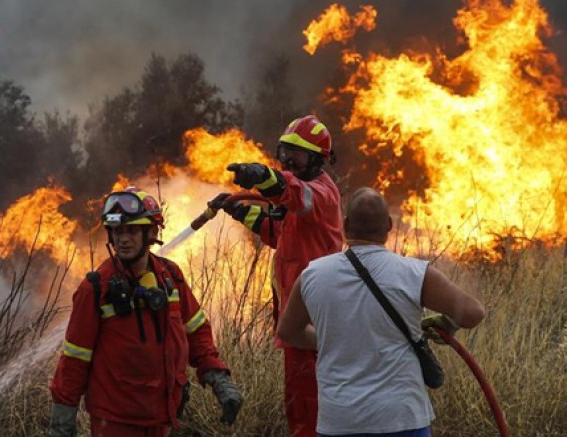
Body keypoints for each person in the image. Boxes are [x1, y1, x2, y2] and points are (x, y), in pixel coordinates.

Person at [276, 187, 486, 437]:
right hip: (401, 419)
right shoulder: (413, 273)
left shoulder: (313, 275)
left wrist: (335, 339)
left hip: (340, 421)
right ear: (388, 225)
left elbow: (288, 332)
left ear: (345, 225)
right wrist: (447, 323)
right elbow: (473, 313)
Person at [49, 186, 243, 437]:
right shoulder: (95, 289)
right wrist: (62, 425)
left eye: (131, 230)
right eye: (117, 231)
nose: (123, 239)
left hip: (163, 418)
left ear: (152, 232)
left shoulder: (170, 277)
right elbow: (74, 361)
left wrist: (220, 380)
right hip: (116, 423)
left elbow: (197, 333)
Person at [209, 115, 342, 436]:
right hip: (296, 316)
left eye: (297, 155)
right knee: (299, 400)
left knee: (311, 404)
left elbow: (293, 192)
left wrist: (263, 176)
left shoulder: (321, 194)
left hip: (315, 318)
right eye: (285, 153)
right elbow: (279, 233)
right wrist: (240, 210)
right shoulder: (296, 198)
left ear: (318, 159)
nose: (288, 161)